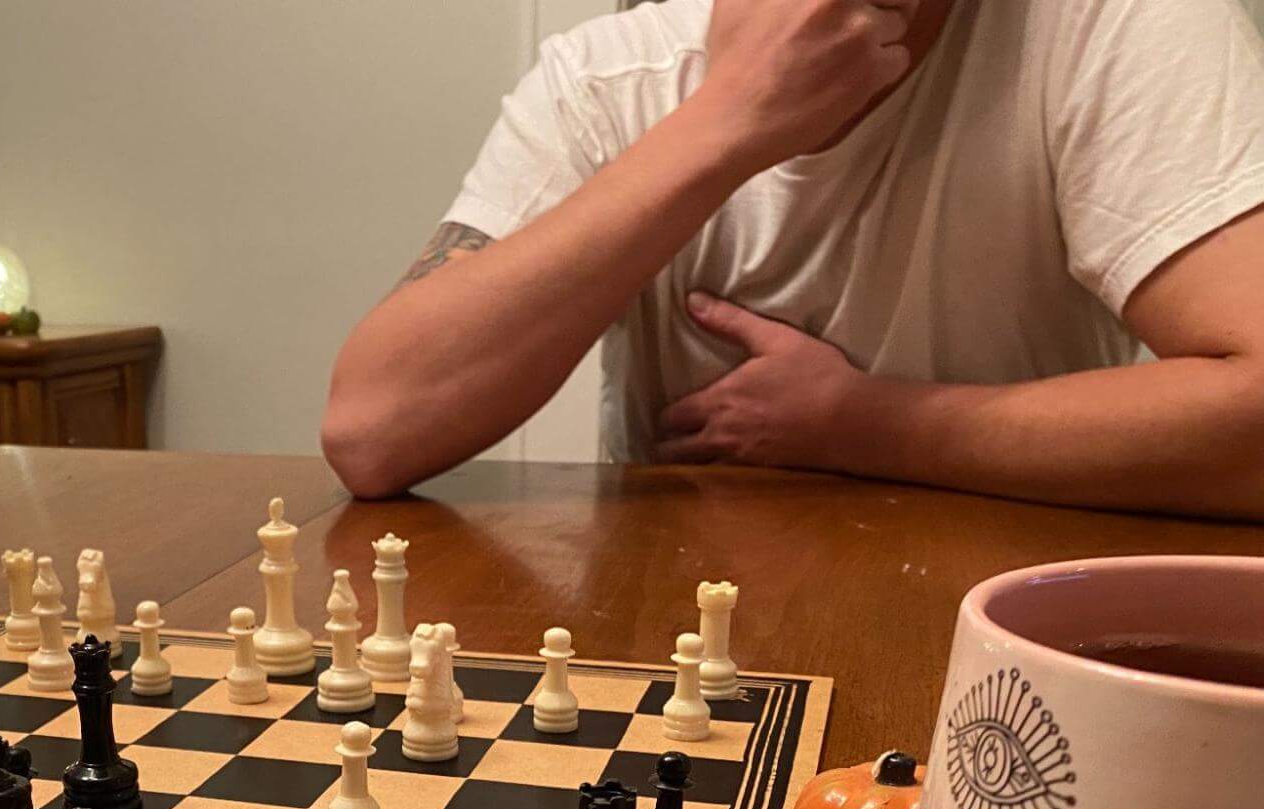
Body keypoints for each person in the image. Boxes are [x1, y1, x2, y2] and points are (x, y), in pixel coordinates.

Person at [321, 0, 1264, 520]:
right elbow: (375, 428)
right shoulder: (605, 75)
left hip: (1005, 633)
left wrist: (861, 427)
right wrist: (724, 121)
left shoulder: (1121, 25)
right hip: (684, 646)